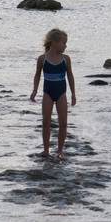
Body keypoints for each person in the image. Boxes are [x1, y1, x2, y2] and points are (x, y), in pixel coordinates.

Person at [30, 28, 77, 160]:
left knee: (63, 123)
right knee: (46, 122)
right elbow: (37, 75)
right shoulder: (42, 59)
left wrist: (73, 94)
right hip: (47, 93)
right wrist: (34, 91)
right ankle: (46, 150)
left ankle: (60, 151)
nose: (65, 46)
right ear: (54, 42)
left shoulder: (66, 59)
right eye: (64, 43)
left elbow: (70, 76)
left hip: (61, 93)